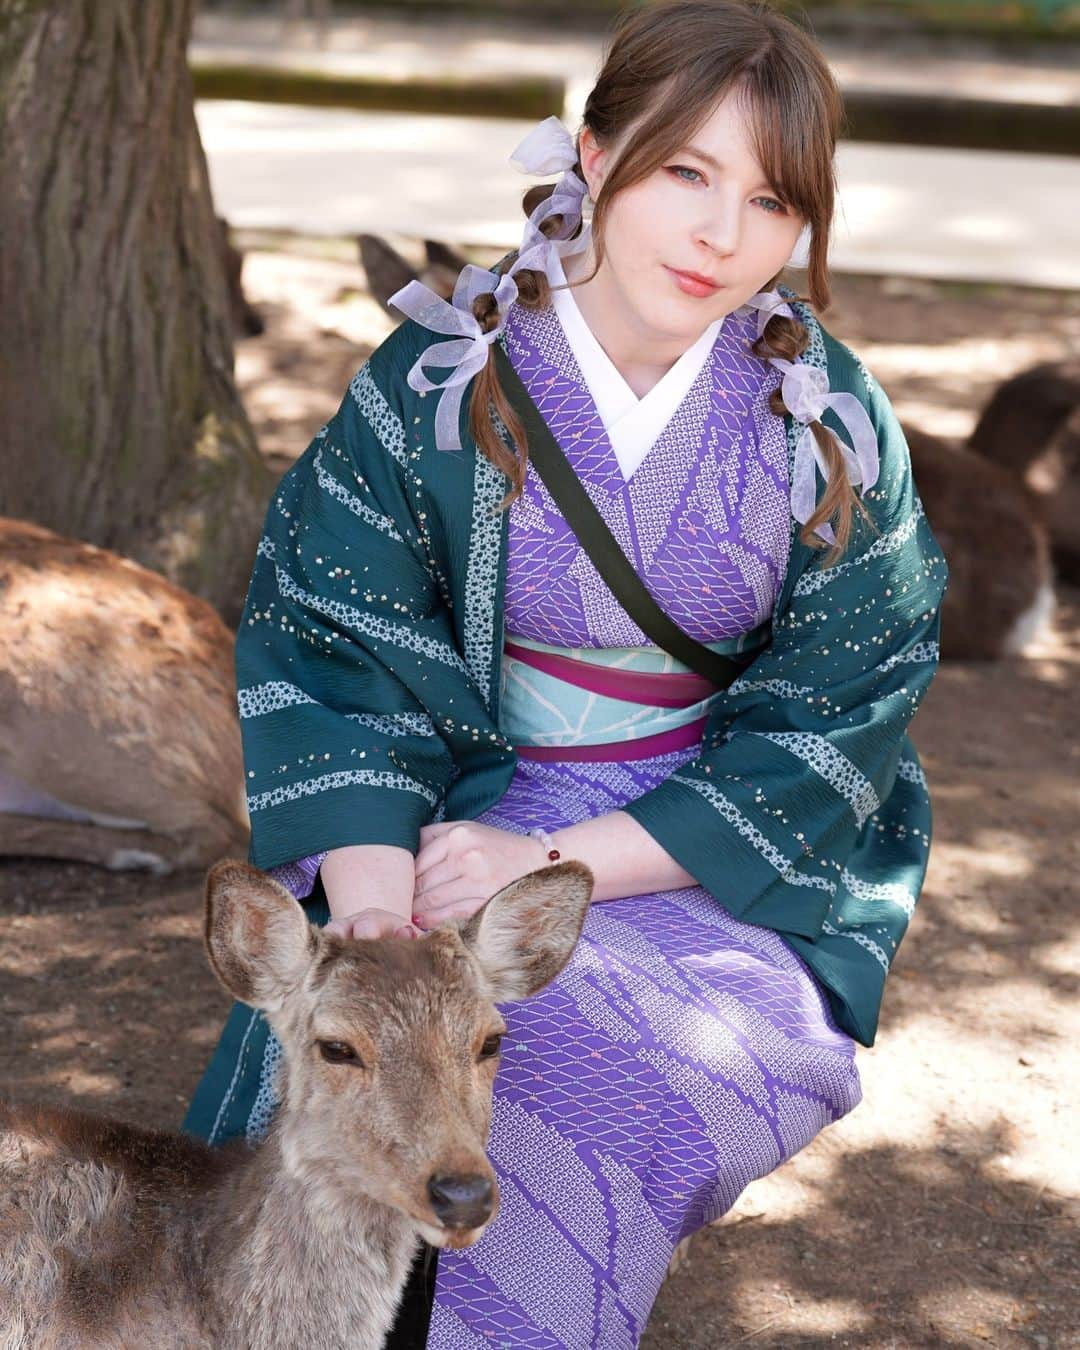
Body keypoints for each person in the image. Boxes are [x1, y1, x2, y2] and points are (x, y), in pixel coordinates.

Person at [184, 1, 947, 1343]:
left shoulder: (824, 418)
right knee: (369, 1052)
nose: (724, 236)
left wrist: (561, 862)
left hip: (705, 850)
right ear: (592, 155)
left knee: (575, 1058)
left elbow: (847, 698)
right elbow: (335, 634)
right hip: (445, 802)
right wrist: (369, 913)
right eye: (685, 174)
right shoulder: (444, 372)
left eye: (773, 201)